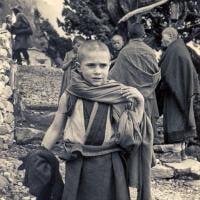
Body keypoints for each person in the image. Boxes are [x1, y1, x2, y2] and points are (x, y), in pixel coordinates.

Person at [41, 40, 153, 200]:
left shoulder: (119, 95)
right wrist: (42, 153)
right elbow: (55, 127)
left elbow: (131, 132)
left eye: (103, 65)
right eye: (91, 65)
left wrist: (140, 103)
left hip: (110, 162)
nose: (98, 71)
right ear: (79, 67)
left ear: (109, 65)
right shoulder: (70, 95)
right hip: (78, 162)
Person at [110, 23, 160, 164]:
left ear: (129, 35)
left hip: (131, 99)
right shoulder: (150, 51)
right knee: (147, 128)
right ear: (143, 35)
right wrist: (147, 88)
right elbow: (156, 75)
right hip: (147, 97)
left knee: (132, 128)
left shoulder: (125, 51)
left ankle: (131, 159)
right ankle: (148, 158)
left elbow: (114, 75)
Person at [158, 27, 200, 155]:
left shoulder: (175, 50)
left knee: (176, 120)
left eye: (163, 37)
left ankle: (177, 151)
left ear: (170, 36)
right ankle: (180, 150)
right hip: (178, 90)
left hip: (176, 92)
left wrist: (161, 84)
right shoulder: (178, 48)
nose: (161, 40)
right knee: (180, 119)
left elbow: (168, 73)